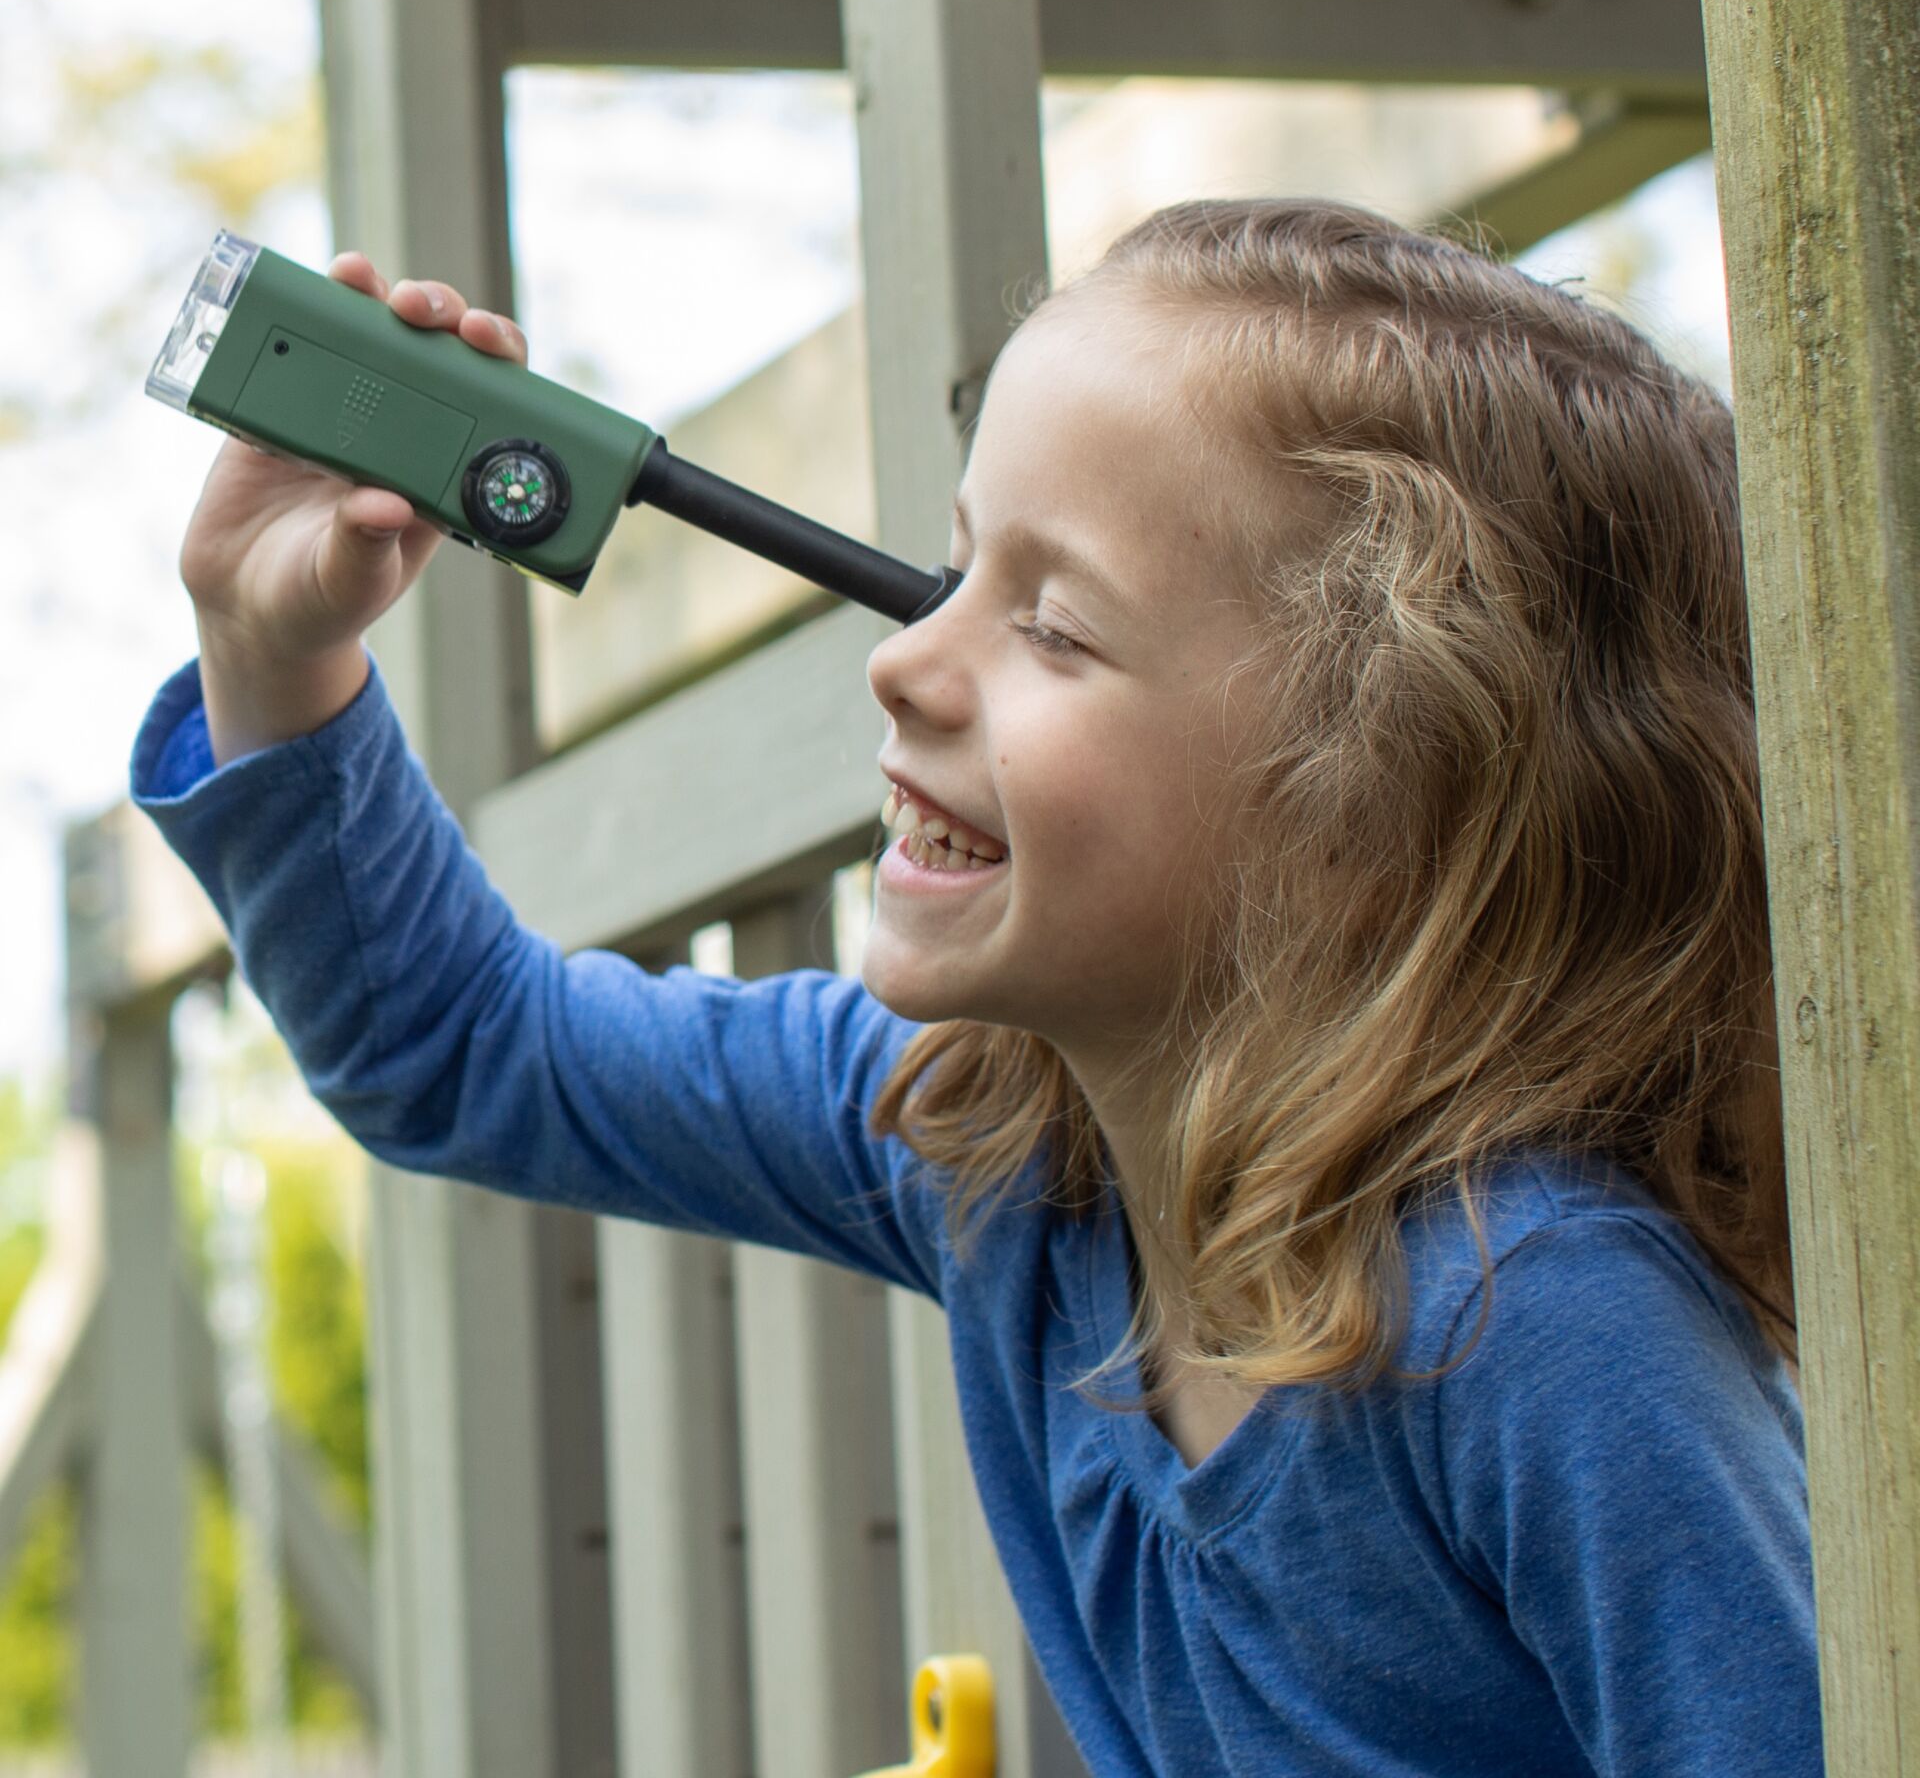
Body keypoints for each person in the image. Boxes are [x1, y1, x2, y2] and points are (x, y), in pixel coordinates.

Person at [131, 200, 1821, 1775]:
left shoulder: (1547, 1332)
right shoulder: (995, 1145)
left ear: (1374, 808)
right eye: (956, 573)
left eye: (1056, 630)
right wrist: (274, 651)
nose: (903, 657)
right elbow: (461, 1050)